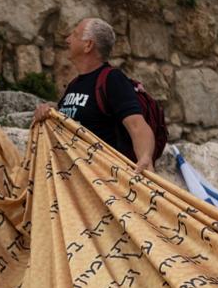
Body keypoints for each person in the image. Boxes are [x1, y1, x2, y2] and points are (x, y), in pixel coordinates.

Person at [34, 17, 155, 172]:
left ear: (88, 45)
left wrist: (145, 158)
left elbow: (138, 126)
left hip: (104, 179)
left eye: (75, 35)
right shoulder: (74, 84)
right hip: (76, 177)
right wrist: (49, 110)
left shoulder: (112, 79)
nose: (68, 39)